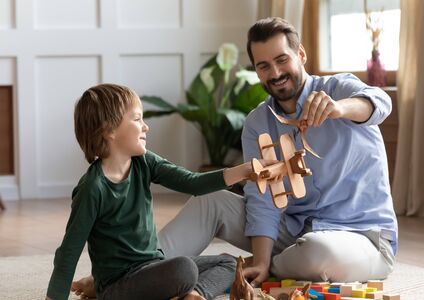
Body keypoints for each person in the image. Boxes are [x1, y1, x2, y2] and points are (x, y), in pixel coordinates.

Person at [72, 16, 398, 294]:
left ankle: (263, 269)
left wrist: (339, 109)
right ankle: (138, 273)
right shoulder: (258, 122)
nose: (275, 73)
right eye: (263, 65)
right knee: (211, 200)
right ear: (256, 70)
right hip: (294, 232)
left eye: (282, 59)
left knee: (319, 252)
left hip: (361, 239)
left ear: (301, 54)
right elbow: (262, 197)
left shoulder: (338, 89)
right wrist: (260, 256)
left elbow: (380, 103)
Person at [45, 83, 257, 300]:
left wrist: (243, 171)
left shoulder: (144, 162)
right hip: (117, 284)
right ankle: (104, 287)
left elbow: (192, 183)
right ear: (109, 130)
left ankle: (193, 294)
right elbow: (68, 252)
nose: (146, 127)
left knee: (230, 263)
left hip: (153, 266)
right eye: (137, 119)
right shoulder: (92, 188)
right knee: (184, 269)